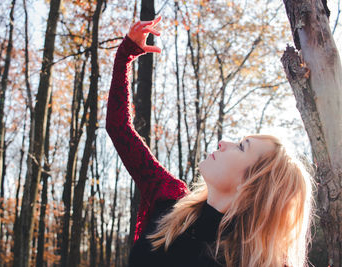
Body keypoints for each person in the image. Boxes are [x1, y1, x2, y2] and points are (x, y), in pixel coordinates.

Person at [106, 16, 314, 267]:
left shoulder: (242, 260)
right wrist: (127, 53)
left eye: (241, 146)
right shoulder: (169, 196)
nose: (224, 143)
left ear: (250, 185)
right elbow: (119, 129)